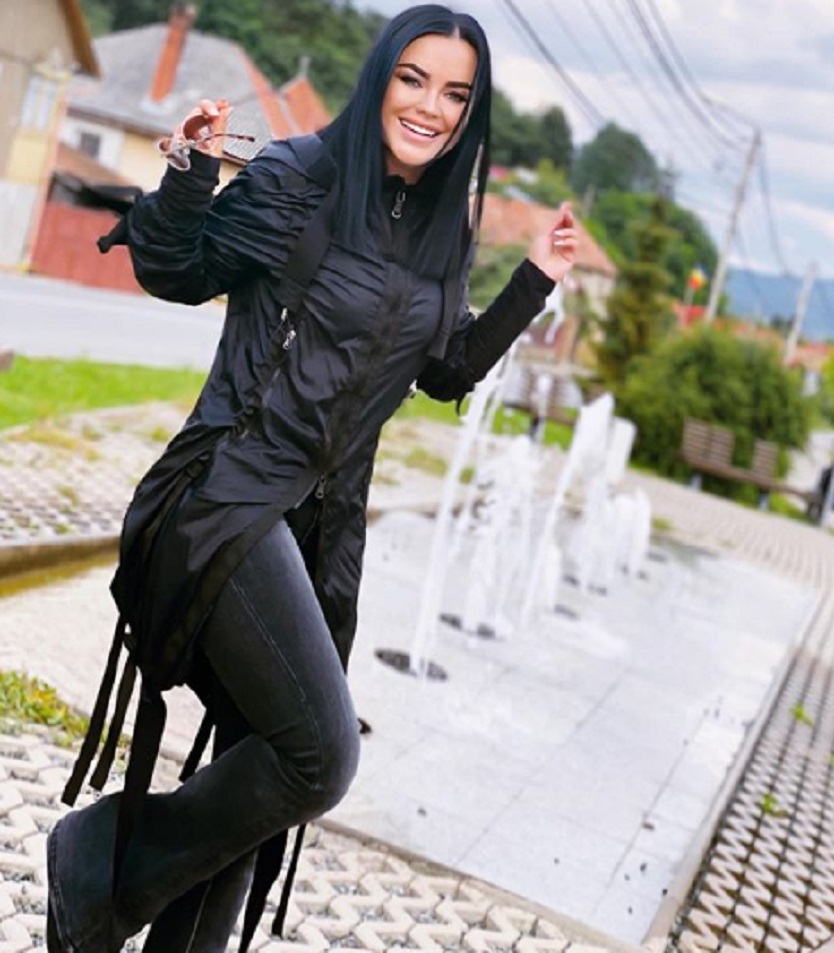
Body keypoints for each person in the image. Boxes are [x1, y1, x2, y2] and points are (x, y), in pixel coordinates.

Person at [46, 6, 578, 952]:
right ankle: (97, 863)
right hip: (224, 498)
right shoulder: (299, 179)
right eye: (414, 79)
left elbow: (445, 369)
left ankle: (112, 904)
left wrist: (532, 282)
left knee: (257, 785)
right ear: (379, 77)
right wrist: (188, 174)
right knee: (319, 756)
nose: (431, 107)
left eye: (455, 93)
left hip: (321, 539)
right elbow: (175, 269)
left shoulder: (443, 232)